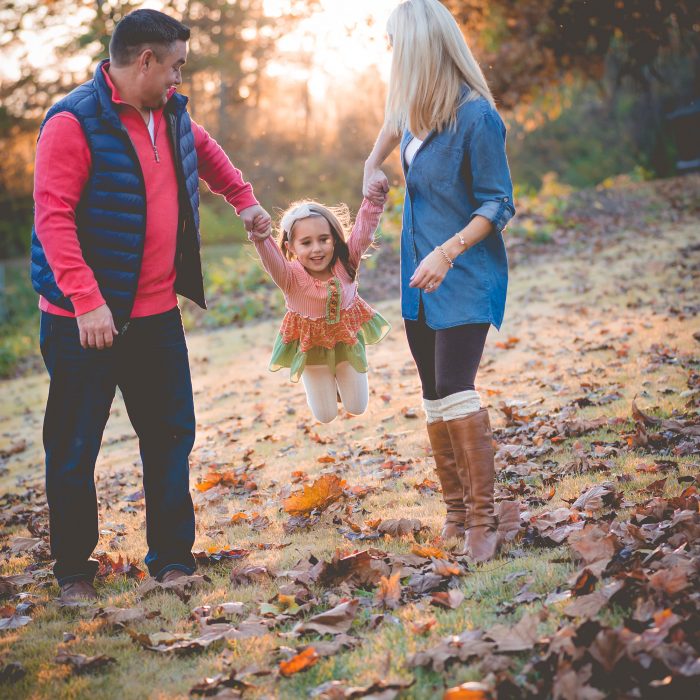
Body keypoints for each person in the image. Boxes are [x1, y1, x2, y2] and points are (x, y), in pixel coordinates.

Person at [31, 9, 271, 601]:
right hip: (84, 322)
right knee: (74, 445)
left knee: (169, 435)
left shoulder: (172, 115)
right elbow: (53, 219)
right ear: (145, 60)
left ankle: (171, 560)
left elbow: (206, 154)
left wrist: (244, 200)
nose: (179, 79)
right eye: (176, 67)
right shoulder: (72, 122)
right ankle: (73, 574)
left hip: (158, 315)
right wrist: (87, 302)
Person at [363, 0, 515, 562]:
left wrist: (448, 253)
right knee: (432, 397)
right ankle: (455, 513)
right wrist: (370, 164)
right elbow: (391, 124)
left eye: (396, 43)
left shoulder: (478, 118)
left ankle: (483, 520)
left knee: (456, 389)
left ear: (421, 47)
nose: (391, 54)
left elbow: (499, 204)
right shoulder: (413, 107)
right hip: (416, 276)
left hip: (463, 271)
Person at [247, 195, 390, 423]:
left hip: (346, 341)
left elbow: (364, 231)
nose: (317, 249)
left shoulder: (346, 262)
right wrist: (260, 236)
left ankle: (342, 382)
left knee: (357, 406)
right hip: (312, 348)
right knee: (325, 416)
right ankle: (325, 385)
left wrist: (373, 200)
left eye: (324, 239)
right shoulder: (289, 277)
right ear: (290, 247)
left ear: (334, 239)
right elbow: (269, 255)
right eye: (306, 243)